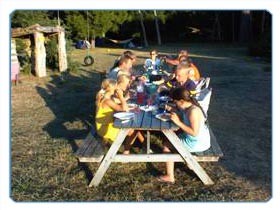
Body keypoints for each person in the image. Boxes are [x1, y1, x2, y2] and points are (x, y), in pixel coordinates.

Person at [158, 87, 211, 183]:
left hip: (197, 142)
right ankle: (187, 161)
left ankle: (170, 176)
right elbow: (180, 112)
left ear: (181, 101)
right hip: (193, 138)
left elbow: (194, 133)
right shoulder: (187, 107)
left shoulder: (193, 111)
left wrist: (178, 122)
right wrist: (170, 108)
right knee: (169, 138)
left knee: (166, 145)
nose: (175, 104)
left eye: (175, 102)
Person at [95, 78, 144, 154]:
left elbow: (120, 103)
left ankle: (143, 146)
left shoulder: (108, 97)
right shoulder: (107, 101)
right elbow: (124, 109)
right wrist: (121, 96)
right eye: (116, 87)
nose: (117, 89)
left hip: (106, 124)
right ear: (112, 89)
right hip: (105, 128)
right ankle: (126, 152)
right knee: (133, 130)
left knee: (135, 128)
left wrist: (125, 98)